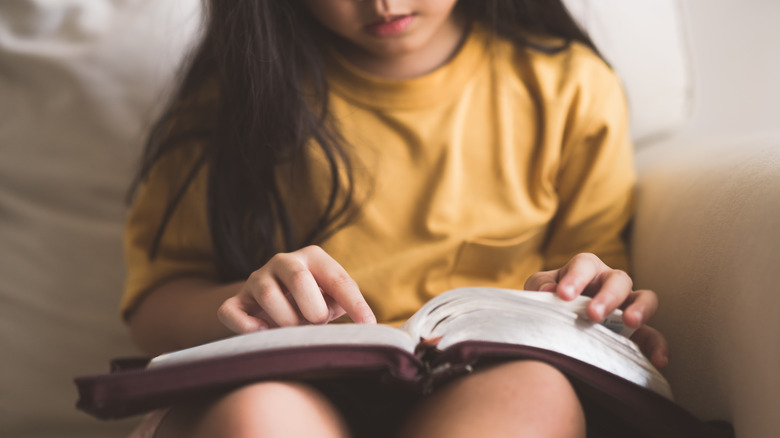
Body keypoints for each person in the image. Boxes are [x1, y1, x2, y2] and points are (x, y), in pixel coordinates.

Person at [122, 1, 669, 437]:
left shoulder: (570, 87)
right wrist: (249, 299)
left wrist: (592, 301)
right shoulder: (232, 102)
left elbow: (596, 276)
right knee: (259, 420)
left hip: (490, 378)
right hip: (284, 381)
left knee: (533, 397)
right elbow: (153, 308)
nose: (383, 3)